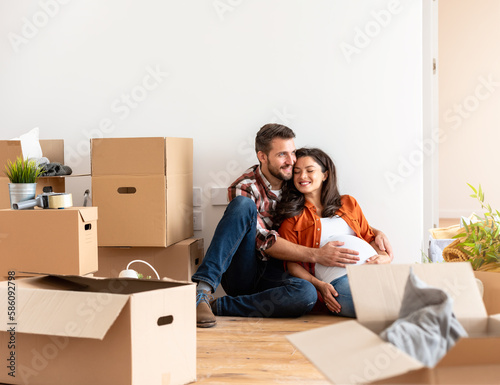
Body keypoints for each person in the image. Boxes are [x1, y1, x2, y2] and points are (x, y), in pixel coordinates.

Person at [192, 124, 393, 327]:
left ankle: (220, 306)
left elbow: (336, 217)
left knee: (305, 294)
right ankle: (202, 292)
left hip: (275, 273)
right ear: (262, 157)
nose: (291, 162)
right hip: (246, 268)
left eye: (292, 153)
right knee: (242, 206)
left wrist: (375, 233)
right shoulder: (245, 187)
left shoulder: (295, 180)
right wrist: (317, 254)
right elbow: (265, 242)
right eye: (282, 155)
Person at [276, 148, 393, 317]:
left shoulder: (348, 203)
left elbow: (369, 236)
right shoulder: (292, 217)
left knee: (411, 294)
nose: (302, 176)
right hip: (337, 283)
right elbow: (292, 264)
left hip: (373, 272)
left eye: (310, 170)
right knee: (378, 306)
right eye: (297, 172)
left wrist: (383, 257)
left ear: (325, 175)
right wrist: (319, 285)